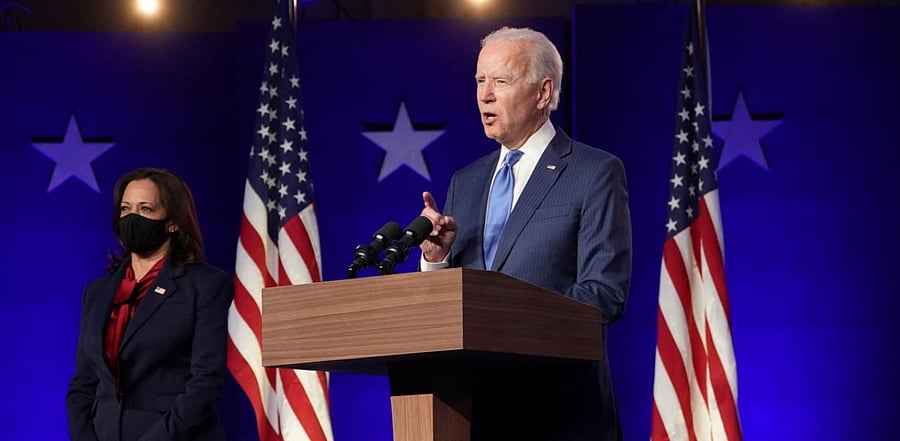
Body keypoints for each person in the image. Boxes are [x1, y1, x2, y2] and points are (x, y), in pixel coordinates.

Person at [419, 27, 632, 440]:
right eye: (480, 81)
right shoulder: (467, 181)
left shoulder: (594, 172)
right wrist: (436, 259)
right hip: (472, 413)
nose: (485, 95)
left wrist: (506, 319)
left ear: (542, 92)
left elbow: (605, 295)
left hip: (560, 415)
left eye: (501, 81)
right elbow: (452, 309)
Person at [66, 168, 234, 441]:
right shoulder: (97, 293)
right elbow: (83, 384)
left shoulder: (206, 285)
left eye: (145, 209)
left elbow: (206, 381)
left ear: (172, 222)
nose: (132, 218)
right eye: (125, 209)